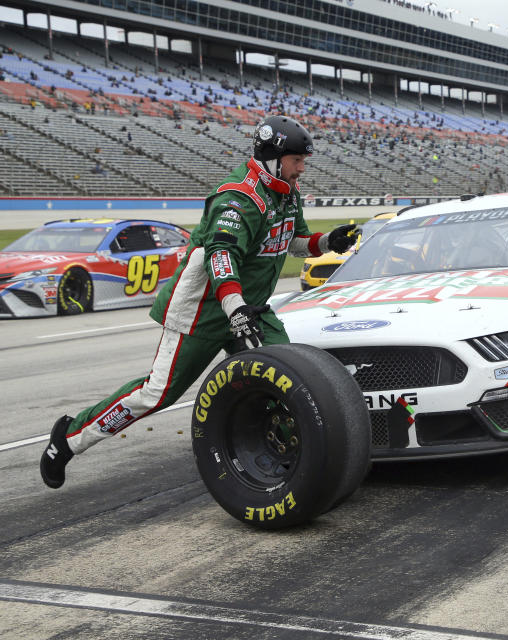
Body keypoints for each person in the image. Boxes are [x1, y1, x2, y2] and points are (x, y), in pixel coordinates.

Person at [40, 115, 359, 489]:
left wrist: (326, 243)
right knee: (156, 394)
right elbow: (221, 257)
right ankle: (68, 439)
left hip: (250, 309)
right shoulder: (238, 198)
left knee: (291, 381)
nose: (302, 168)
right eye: (296, 161)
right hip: (203, 312)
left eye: (303, 161)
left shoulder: (287, 192)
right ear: (273, 158)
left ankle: (292, 460)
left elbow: (292, 240)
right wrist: (234, 310)